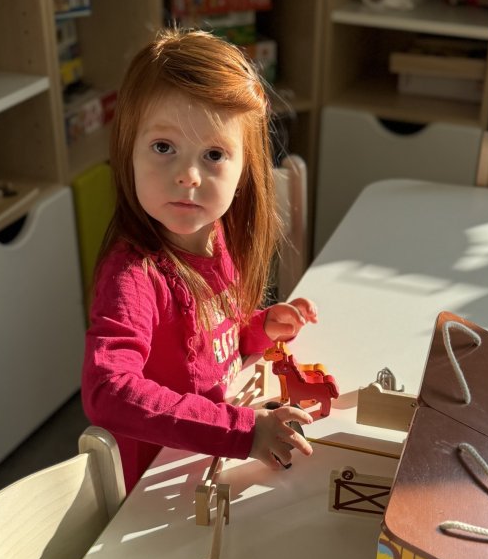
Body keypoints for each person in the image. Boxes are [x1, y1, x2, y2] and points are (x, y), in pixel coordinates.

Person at [82, 27, 318, 492]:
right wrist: (243, 431)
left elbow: (211, 346)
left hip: (211, 463)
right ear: (127, 151)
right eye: (163, 148)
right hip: (158, 486)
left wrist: (260, 327)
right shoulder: (133, 276)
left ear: (244, 169)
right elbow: (107, 391)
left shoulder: (217, 235)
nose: (188, 175)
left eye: (213, 154)